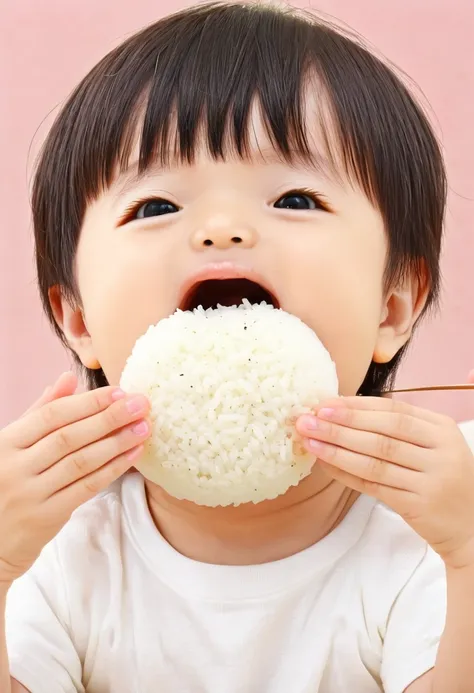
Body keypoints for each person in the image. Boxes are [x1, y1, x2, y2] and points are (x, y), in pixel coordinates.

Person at [1, 3, 473, 692]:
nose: (222, 230)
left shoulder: (441, 512)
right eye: (157, 206)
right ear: (77, 319)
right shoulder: (49, 542)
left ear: (392, 306)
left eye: (295, 198)